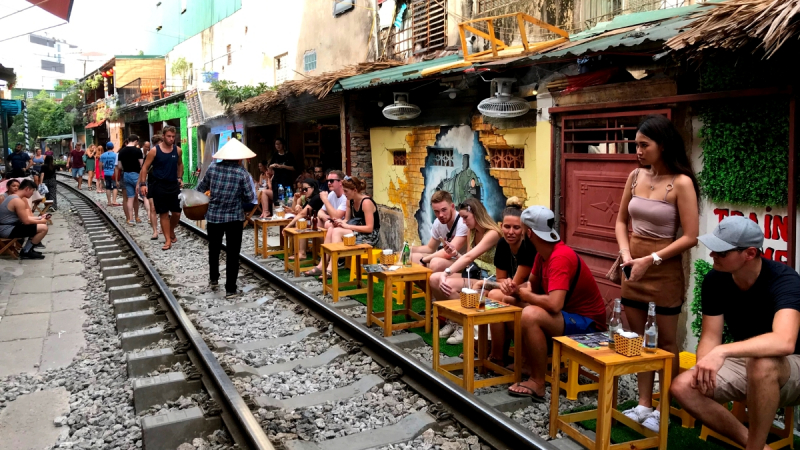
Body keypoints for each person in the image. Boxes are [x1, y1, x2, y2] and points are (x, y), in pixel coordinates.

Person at [670, 216, 800, 450]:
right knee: (683, 386)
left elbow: (785, 341)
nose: (712, 256)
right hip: (749, 360)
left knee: (762, 364)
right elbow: (711, 335)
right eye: (713, 249)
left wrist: (723, 351)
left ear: (749, 253)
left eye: (721, 252)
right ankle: (758, 447)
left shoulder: (784, 279)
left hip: (793, 364)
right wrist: (704, 367)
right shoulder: (715, 280)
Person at [614, 114, 700, 430]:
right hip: (631, 266)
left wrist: (650, 260)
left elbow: (690, 236)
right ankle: (643, 403)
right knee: (636, 339)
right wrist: (627, 255)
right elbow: (621, 221)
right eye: (636, 144)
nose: (637, 150)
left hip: (663, 269)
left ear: (662, 145)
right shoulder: (635, 176)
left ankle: (664, 406)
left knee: (665, 342)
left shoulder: (681, 183)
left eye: (643, 145)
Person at [507, 205, 607, 402]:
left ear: (529, 233)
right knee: (509, 302)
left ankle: (538, 381)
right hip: (568, 316)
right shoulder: (542, 254)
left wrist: (523, 294)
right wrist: (514, 290)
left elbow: (554, 304)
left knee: (530, 314)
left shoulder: (560, 256)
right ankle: (528, 362)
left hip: (589, 325)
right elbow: (532, 287)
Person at [429, 198, 502, 344]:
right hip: (473, 274)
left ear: (476, 214)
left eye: (465, 217)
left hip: (488, 279)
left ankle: (464, 324)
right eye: (461, 217)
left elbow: (469, 257)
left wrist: (447, 272)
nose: (463, 221)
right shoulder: (472, 231)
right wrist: (455, 254)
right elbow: (469, 260)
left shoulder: (493, 233)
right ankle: (453, 320)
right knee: (433, 279)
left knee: (447, 282)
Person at [195, 139, 257, 298]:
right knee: (233, 253)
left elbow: (201, 188)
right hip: (234, 218)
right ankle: (230, 289)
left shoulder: (212, 168)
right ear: (239, 158)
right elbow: (250, 198)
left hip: (214, 217)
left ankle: (214, 278)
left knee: (213, 249)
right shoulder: (242, 173)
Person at [484, 197, 536, 365]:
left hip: (530, 291)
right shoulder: (502, 244)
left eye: (516, 227)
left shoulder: (528, 246)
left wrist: (506, 284)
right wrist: (504, 283)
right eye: (507, 227)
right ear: (501, 226)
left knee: (494, 295)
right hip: (515, 290)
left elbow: (517, 283)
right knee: (492, 294)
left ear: (524, 229)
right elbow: (501, 278)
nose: (511, 232)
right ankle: (497, 353)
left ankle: (500, 354)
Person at [302, 176, 379, 277]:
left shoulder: (366, 202)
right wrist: (339, 222)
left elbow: (369, 228)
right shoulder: (349, 200)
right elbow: (347, 220)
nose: (344, 193)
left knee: (337, 232)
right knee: (331, 229)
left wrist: (346, 226)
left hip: (369, 236)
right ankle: (322, 265)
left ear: (355, 190)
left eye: (346, 191)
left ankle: (331, 267)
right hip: (356, 230)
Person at [139, 126, 183, 251]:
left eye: (173, 137)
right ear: (163, 136)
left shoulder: (178, 150)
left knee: (177, 213)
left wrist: (179, 177)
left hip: (173, 185)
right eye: (169, 136)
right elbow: (145, 168)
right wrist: (143, 184)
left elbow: (180, 164)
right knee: (163, 213)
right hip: (159, 185)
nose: (171, 139)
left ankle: (170, 230)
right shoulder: (154, 151)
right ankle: (168, 240)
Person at [412, 190, 469, 272]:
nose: (440, 215)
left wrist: (423, 259)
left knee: (435, 263)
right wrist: (407, 249)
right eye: (436, 211)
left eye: (444, 210)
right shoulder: (438, 223)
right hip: (448, 259)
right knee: (412, 257)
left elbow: (447, 253)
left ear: (452, 207)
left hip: (461, 261)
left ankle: (429, 283)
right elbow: (430, 248)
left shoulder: (462, 222)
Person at [0, 179, 49, 260]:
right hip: (7, 229)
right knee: (43, 228)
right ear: (27, 189)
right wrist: (41, 221)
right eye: (32, 191)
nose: (32, 193)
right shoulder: (18, 201)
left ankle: (28, 250)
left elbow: (25, 217)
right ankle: (26, 251)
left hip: (7, 227)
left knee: (38, 225)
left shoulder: (12, 197)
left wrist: (40, 217)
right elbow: (26, 221)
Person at [118, 135, 145, 226]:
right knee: (142, 197)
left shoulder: (121, 151)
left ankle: (131, 219)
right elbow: (142, 165)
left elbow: (120, 166)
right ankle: (142, 216)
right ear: (136, 141)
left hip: (126, 175)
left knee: (130, 198)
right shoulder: (138, 151)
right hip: (136, 175)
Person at [100, 142, 120, 207]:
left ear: (106, 147)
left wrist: (101, 173)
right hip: (114, 173)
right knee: (115, 187)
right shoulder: (116, 155)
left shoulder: (102, 155)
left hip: (106, 173)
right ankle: (114, 200)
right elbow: (117, 165)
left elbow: (100, 165)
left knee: (108, 187)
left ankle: (109, 201)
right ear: (113, 147)